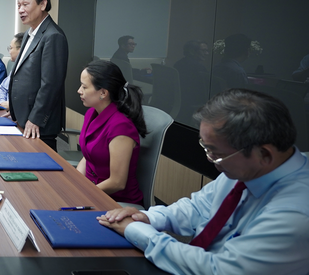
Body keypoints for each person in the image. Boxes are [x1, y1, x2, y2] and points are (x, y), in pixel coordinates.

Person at [98, 89, 309, 275]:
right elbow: (198, 207)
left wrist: (137, 231)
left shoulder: (295, 215)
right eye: (206, 148)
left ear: (264, 154)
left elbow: (217, 269)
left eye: (216, 153)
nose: (210, 160)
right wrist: (146, 217)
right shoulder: (245, 170)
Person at [76, 60, 146, 206]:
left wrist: (83, 194)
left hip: (116, 201)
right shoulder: (91, 113)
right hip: (91, 190)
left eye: (84, 87)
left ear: (103, 93)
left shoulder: (121, 127)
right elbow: (87, 158)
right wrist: (76, 183)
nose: (79, 91)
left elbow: (117, 182)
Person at [8, 0, 68, 149]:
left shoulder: (53, 36)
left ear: (43, 4)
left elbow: (51, 84)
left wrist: (35, 118)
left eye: (25, 4)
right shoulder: (30, 33)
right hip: (24, 117)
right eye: (18, 5)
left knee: (39, 163)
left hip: (38, 124)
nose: (20, 10)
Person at [0, 32, 24, 108]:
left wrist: (12, 105)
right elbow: (2, 88)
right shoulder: (15, 67)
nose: (9, 52)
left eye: (11, 48)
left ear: (20, 50)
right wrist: (1, 103)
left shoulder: (30, 71)